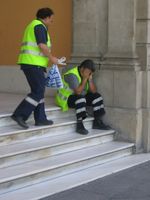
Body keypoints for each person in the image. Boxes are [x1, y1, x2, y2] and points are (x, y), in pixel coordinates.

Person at [11, 7, 66, 129]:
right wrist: (52, 58)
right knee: (38, 90)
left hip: (32, 64)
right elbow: (42, 45)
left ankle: (40, 119)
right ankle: (19, 115)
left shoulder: (34, 25)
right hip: (32, 63)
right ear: (46, 18)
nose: (52, 22)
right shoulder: (39, 26)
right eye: (51, 20)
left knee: (39, 90)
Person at [55, 59, 111, 135]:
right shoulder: (71, 75)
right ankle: (80, 125)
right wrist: (85, 78)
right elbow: (78, 92)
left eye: (89, 73)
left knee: (97, 97)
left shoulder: (87, 74)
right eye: (87, 72)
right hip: (66, 99)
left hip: (80, 97)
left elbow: (94, 91)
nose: (87, 74)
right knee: (80, 98)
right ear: (82, 68)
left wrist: (90, 79)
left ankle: (97, 122)